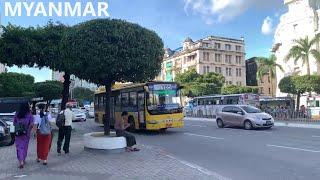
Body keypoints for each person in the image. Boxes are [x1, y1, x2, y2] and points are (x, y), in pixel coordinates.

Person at [13, 103, 34, 169]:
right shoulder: (29, 115)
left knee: (19, 147)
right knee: (25, 147)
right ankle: (23, 160)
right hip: (26, 134)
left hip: (18, 134)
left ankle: (20, 160)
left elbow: (14, 123)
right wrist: (28, 129)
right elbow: (31, 124)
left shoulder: (17, 114)